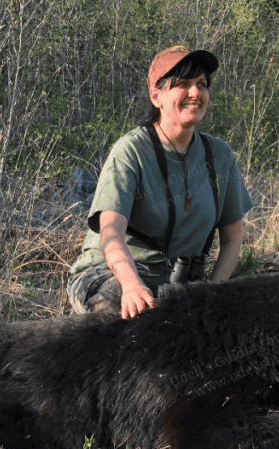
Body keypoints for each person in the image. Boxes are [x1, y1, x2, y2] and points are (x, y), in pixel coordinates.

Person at [67, 46, 253, 318]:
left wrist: (213, 294)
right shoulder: (132, 150)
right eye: (182, 84)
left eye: (201, 84)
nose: (194, 93)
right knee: (127, 308)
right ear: (156, 96)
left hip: (181, 283)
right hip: (113, 274)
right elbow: (110, 231)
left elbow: (233, 237)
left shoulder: (220, 155)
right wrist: (131, 285)